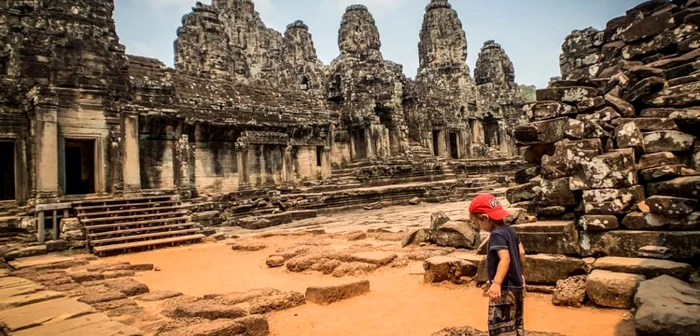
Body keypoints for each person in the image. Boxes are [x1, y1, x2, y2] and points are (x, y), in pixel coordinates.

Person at [468, 193, 527, 336]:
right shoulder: (510, 230)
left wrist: (497, 283)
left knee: (500, 328)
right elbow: (522, 253)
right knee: (516, 323)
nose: (479, 226)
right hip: (517, 286)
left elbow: (505, 259)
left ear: (485, 218)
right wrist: (521, 274)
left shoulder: (496, 235)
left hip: (504, 289)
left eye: (477, 223)